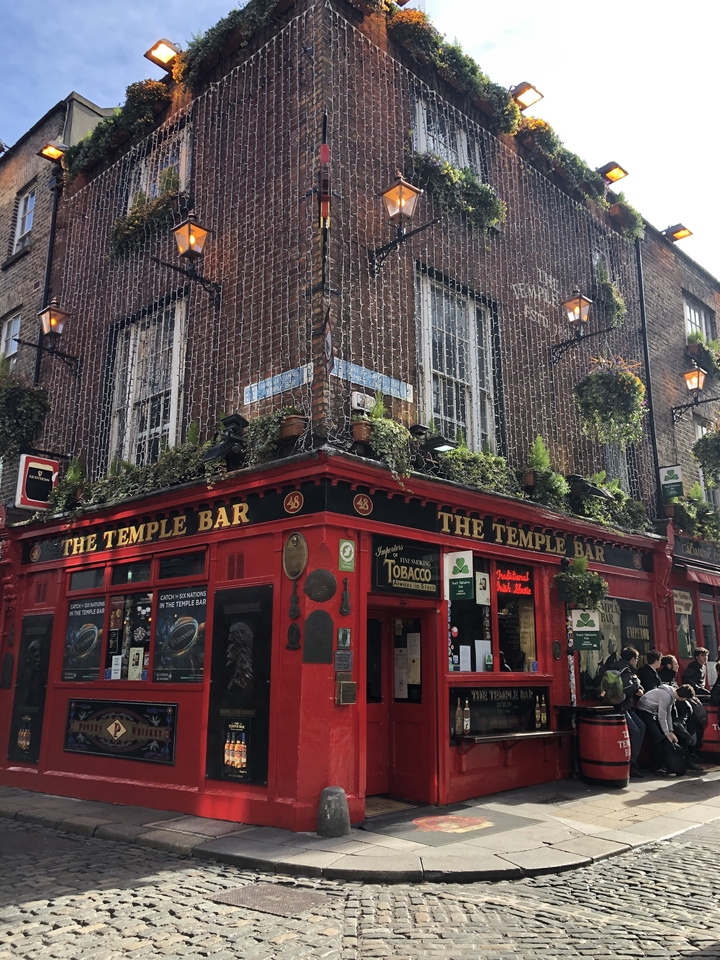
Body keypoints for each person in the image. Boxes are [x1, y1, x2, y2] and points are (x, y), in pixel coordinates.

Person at [636, 683, 702, 774]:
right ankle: (657, 766)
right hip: (644, 711)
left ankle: (661, 765)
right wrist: (667, 733)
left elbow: (668, 715)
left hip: (652, 711)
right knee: (658, 737)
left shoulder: (671, 694)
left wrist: (670, 731)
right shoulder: (666, 697)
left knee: (661, 735)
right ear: (683, 697)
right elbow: (662, 717)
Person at [602, 646, 646, 778]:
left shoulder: (615, 666)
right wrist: (637, 683)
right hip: (621, 707)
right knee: (636, 731)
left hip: (622, 705)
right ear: (632, 659)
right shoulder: (625, 669)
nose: (637, 661)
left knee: (641, 726)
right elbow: (627, 688)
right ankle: (632, 763)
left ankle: (633, 760)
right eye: (636, 659)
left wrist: (638, 686)